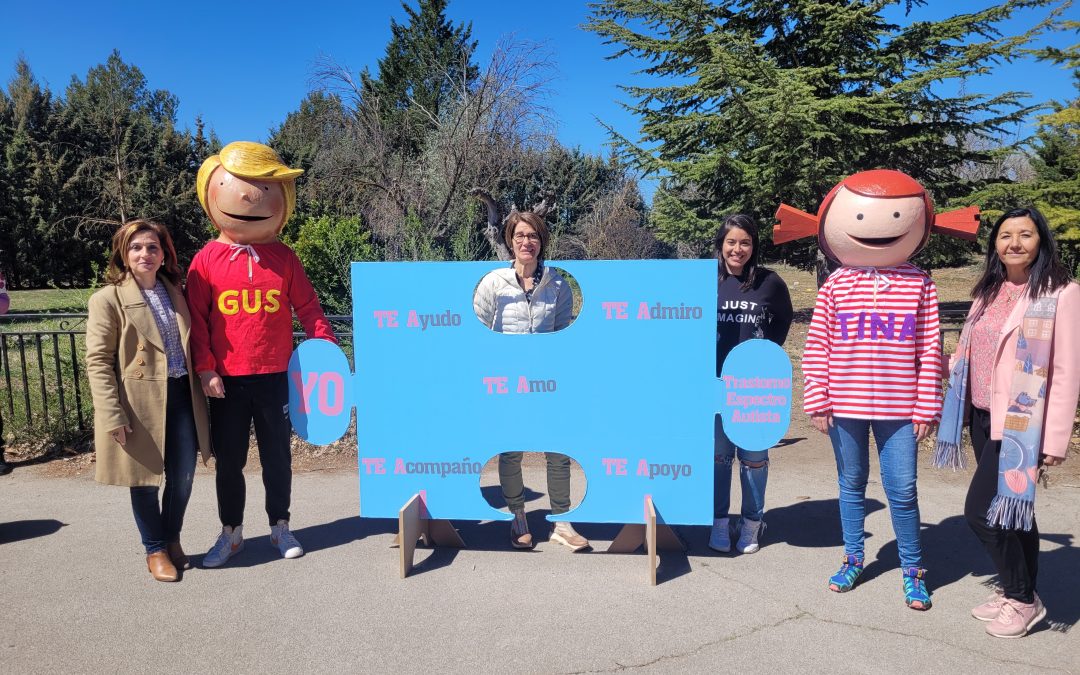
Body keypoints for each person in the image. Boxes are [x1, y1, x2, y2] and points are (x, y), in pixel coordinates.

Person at [790, 170, 954, 611]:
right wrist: (817, 398)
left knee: (902, 490)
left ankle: (913, 569)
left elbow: (929, 348)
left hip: (900, 409)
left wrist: (926, 408)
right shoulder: (837, 283)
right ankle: (854, 558)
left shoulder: (920, 283)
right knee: (852, 485)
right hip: (844, 405)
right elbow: (818, 345)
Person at [187, 141, 336, 568]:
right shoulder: (205, 260)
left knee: (278, 459)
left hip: (276, 378)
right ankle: (231, 533)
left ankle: (279, 526)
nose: (252, 200)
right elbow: (197, 321)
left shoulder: (285, 257)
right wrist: (205, 368)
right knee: (229, 462)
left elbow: (308, 307)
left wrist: (323, 344)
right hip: (227, 381)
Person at [934, 206, 1079, 638]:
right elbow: (970, 352)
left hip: (1020, 424)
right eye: (1005, 235)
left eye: (1025, 234)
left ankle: (1022, 599)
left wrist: (1055, 438)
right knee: (1015, 514)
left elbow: (1068, 371)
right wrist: (935, 362)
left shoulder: (1062, 294)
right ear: (995, 244)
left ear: (1041, 242)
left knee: (982, 513)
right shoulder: (989, 290)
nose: (1014, 242)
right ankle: (1019, 588)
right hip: (980, 414)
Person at [85, 220, 211, 582]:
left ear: (163, 254)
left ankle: (172, 538)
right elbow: (97, 361)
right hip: (138, 401)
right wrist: (112, 414)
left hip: (182, 394)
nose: (145, 254)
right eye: (136, 247)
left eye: (152, 247)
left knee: (183, 476)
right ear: (124, 254)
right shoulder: (107, 299)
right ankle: (154, 548)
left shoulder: (175, 292)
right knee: (143, 479)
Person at [472, 211, 589, 552]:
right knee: (510, 453)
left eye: (533, 236)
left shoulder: (558, 284)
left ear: (542, 241)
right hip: (505, 384)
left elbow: (563, 335)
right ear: (510, 241)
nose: (527, 242)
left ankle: (562, 523)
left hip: (548, 382)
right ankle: (518, 519)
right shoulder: (493, 282)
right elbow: (478, 333)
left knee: (558, 452)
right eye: (520, 235)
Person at [709, 214, 793, 554]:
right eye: (731, 242)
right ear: (721, 245)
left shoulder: (768, 282)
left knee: (754, 457)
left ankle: (751, 523)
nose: (737, 249)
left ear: (753, 246)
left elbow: (783, 319)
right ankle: (718, 521)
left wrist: (765, 354)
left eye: (745, 242)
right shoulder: (706, 281)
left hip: (754, 385)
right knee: (718, 457)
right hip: (713, 383)